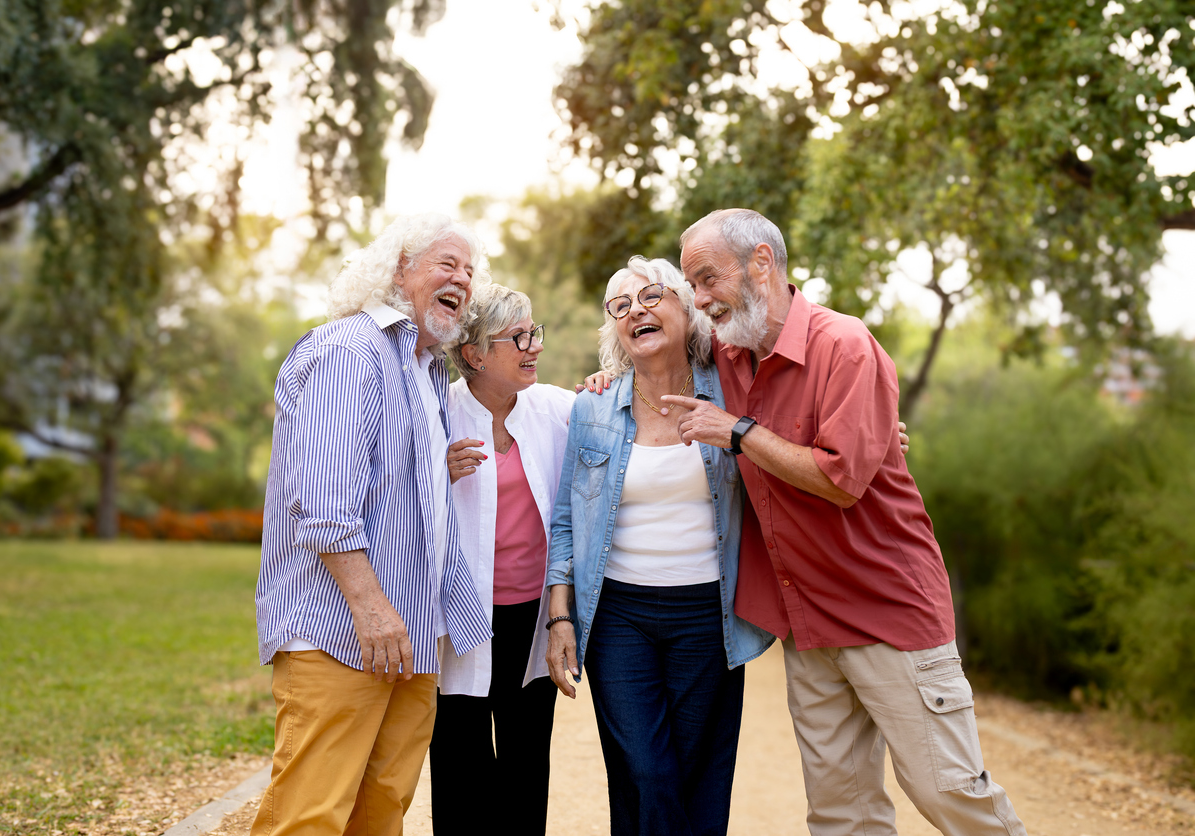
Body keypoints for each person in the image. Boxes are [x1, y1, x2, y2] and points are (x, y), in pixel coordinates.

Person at [663, 208, 1027, 836]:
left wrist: (739, 433)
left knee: (949, 794)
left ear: (761, 263)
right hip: (808, 622)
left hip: (887, 611)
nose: (699, 299)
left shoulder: (843, 345)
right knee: (840, 813)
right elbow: (649, 350)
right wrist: (601, 381)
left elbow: (839, 481)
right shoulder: (727, 353)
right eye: (692, 284)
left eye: (707, 278)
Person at [252, 213, 494, 836]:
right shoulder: (348, 350)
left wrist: (432, 469)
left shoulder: (426, 368)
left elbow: (383, 479)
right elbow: (324, 501)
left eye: (469, 271)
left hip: (412, 632)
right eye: (447, 264)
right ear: (399, 269)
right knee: (309, 816)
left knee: (381, 812)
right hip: (344, 628)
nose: (462, 279)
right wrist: (372, 608)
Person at [545, 256, 776, 836]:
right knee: (644, 770)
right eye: (620, 306)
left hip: (709, 614)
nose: (635, 311)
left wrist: (877, 434)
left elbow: (793, 435)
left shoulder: (731, 393)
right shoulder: (593, 407)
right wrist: (560, 616)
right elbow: (567, 519)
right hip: (618, 616)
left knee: (700, 773)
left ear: (686, 307)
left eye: (650, 296)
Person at [430, 283, 575, 835]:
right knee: (460, 763)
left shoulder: (555, 408)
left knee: (526, 765)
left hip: (531, 618)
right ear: (474, 354)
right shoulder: (439, 412)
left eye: (534, 332)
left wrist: (604, 382)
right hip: (460, 620)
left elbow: (616, 412)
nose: (534, 345)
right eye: (518, 337)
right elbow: (387, 493)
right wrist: (435, 474)